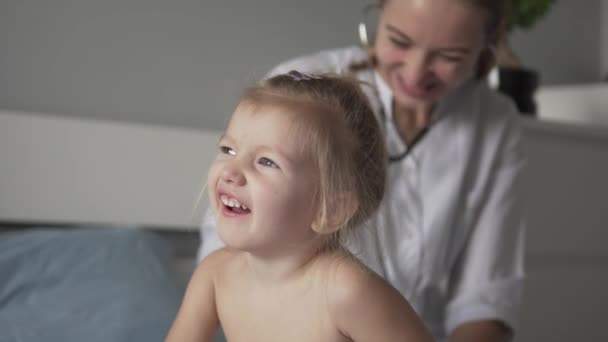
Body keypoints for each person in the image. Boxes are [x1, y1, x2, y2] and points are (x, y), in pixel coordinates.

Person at [199, 0, 526, 341]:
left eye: (450, 57)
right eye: (399, 41)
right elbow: (237, 239)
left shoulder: (494, 123)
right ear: (378, 13)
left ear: (488, 42)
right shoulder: (301, 93)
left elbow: (486, 293)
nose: (415, 73)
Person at [167, 71, 434, 342]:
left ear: (330, 209)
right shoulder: (215, 275)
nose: (231, 171)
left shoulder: (347, 292)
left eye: (267, 162)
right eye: (228, 150)